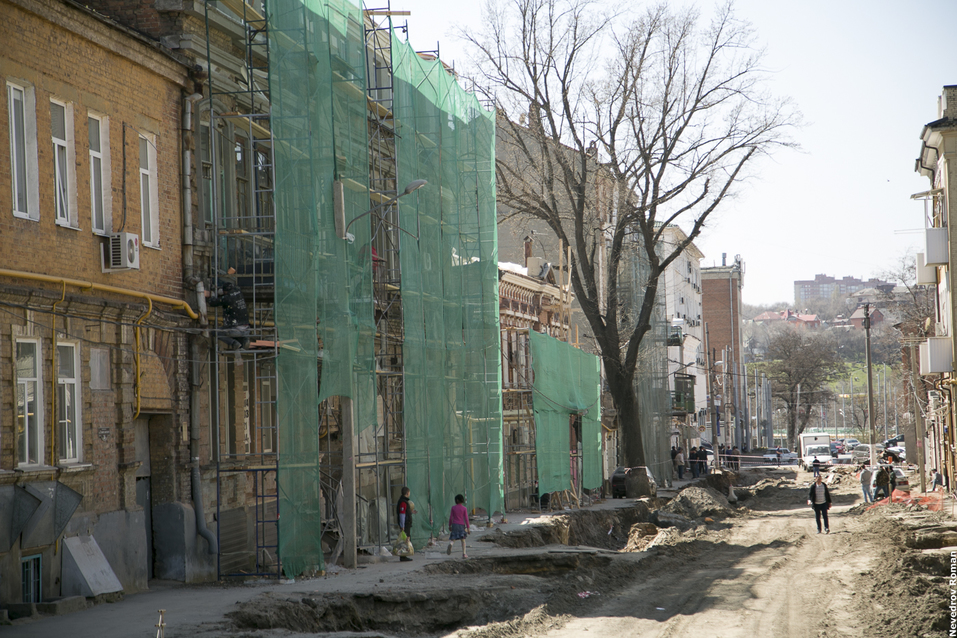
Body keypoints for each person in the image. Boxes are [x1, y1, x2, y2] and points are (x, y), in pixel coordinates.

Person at [206, 280, 250, 350]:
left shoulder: (227, 298)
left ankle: (234, 343)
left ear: (225, 292)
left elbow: (212, 302)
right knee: (234, 332)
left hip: (235, 329)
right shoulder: (239, 292)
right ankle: (244, 340)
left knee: (215, 332)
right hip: (247, 329)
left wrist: (213, 294)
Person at [447, 494, 470, 559]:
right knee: (463, 540)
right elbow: (466, 518)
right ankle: (464, 554)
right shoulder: (464, 508)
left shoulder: (453, 508)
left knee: (453, 538)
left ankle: (451, 544)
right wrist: (468, 528)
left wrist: (449, 525)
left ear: (456, 500)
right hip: (461, 525)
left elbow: (451, 517)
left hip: (454, 524)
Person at [396, 486, 415, 562]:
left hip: (406, 523)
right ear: (407, 493)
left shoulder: (404, 501)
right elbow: (402, 514)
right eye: (409, 492)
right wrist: (402, 526)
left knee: (406, 539)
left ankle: (404, 555)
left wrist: (411, 512)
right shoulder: (403, 502)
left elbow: (405, 512)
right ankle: (403, 556)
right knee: (405, 540)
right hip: (405, 524)